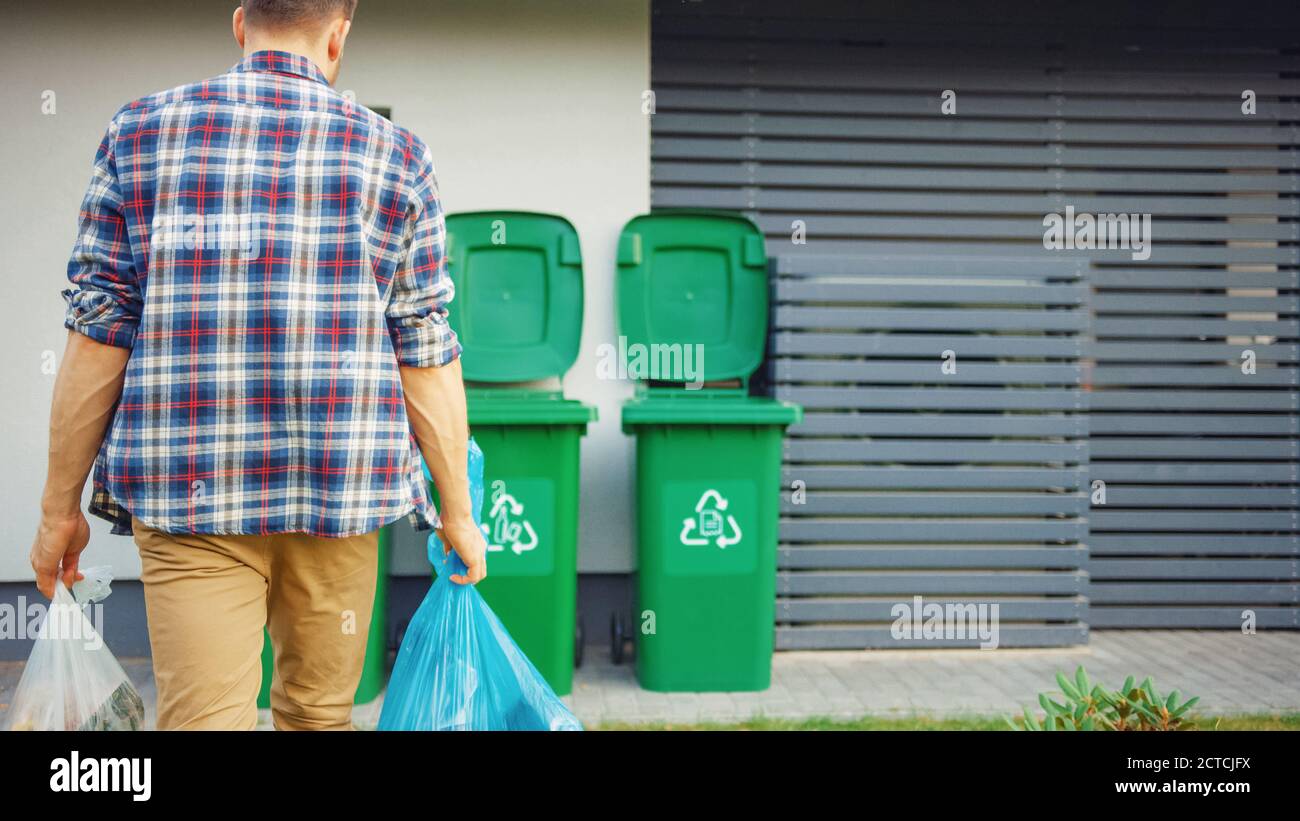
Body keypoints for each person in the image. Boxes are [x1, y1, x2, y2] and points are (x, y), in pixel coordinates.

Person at [29, 0, 488, 730]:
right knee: (316, 715)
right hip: (339, 497)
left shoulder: (139, 132)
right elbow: (424, 348)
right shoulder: (398, 156)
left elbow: (98, 328)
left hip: (189, 495)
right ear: (339, 35)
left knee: (205, 720)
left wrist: (59, 509)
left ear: (241, 24)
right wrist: (457, 511)